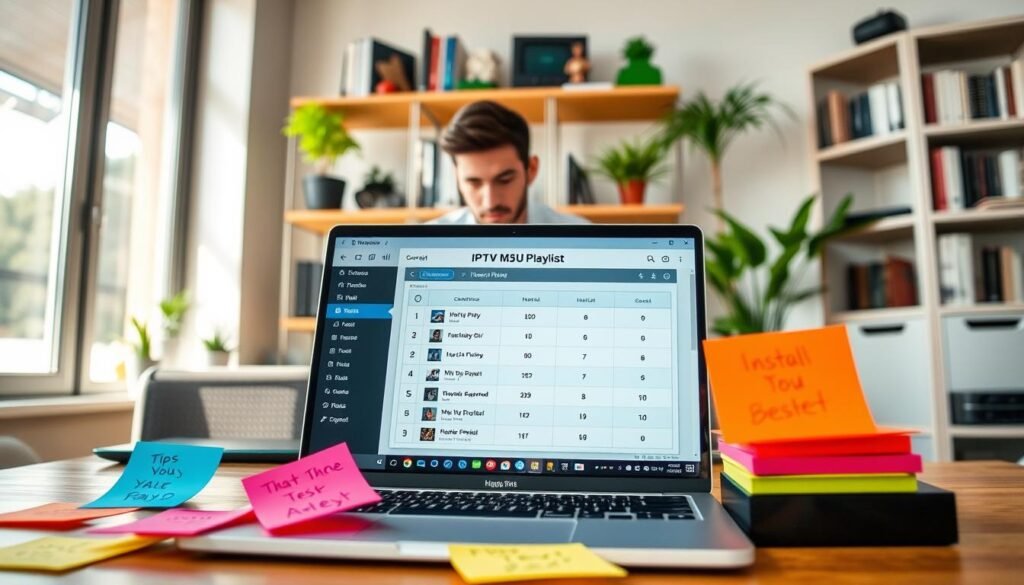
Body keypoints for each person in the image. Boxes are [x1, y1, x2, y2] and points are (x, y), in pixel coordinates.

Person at [432, 100, 588, 224]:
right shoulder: (428, 244)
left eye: (505, 180)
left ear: (531, 170)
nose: (490, 202)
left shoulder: (582, 239)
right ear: (456, 177)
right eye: (474, 182)